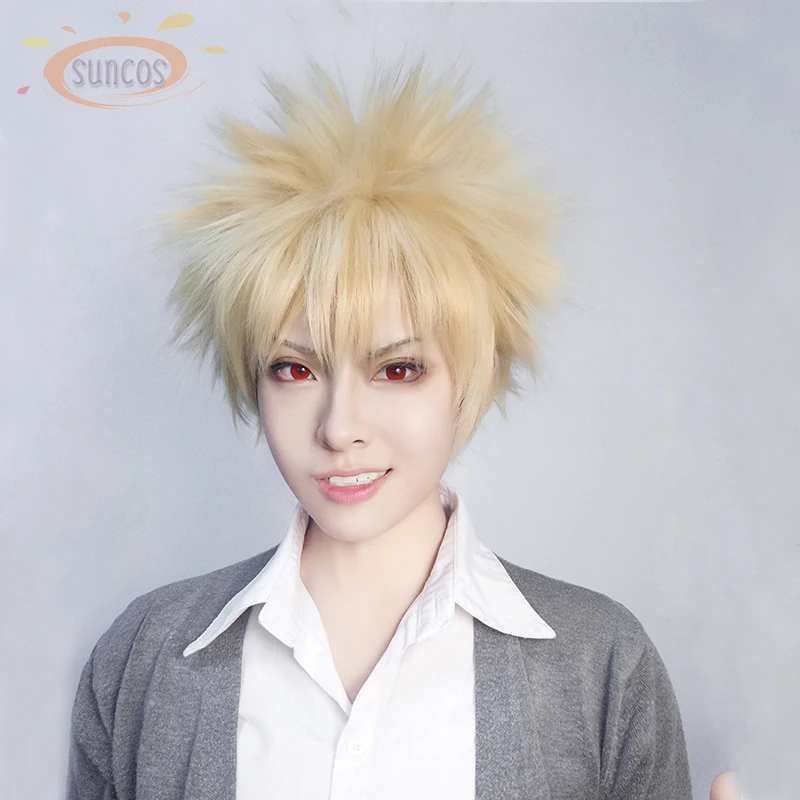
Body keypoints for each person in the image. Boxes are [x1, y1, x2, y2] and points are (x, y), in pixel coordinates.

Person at [66, 58, 738, 799]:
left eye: (397, 369)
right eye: (294, 369)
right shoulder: (143, 662)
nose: (340, 427)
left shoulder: (601, 666)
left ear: (470, 375)